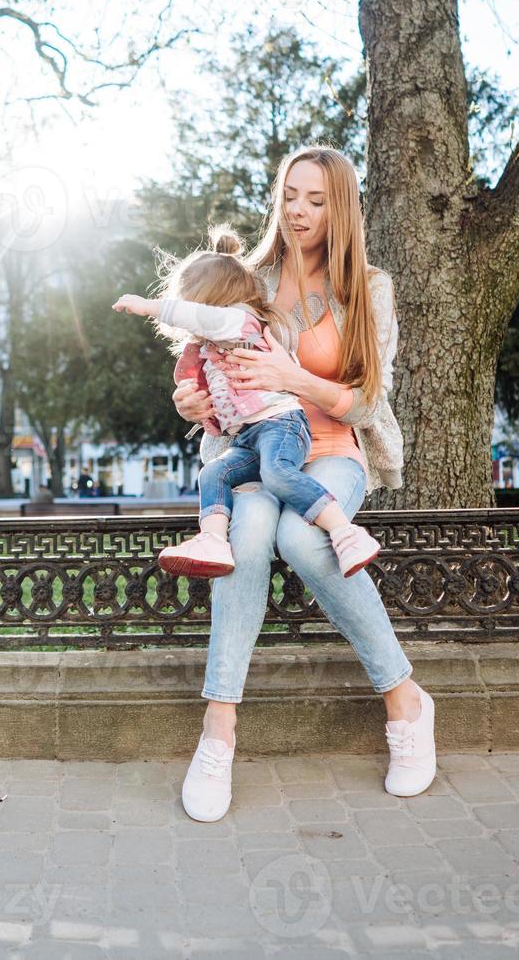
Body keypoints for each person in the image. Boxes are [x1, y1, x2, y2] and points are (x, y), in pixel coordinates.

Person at [168, 146, 432, 822]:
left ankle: (405, 700)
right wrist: (191, 405)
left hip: (334, 450)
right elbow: (202, 364)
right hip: (255, 452)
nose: (298, 211)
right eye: (290, 194)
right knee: (251, 530)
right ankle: (218, 729)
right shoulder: (248, 277)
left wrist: (295, 378)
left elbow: (368, 403)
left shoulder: (368, 288)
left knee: (306, 537)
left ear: (340, 207)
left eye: (316, 200)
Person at [112, 225, 380, 578]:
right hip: (249, 435)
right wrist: (193, 404)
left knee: (276, 471)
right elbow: (213, 399)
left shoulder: (238, 320)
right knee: (214, 473)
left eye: (191, 302)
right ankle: (212, 541)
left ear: (209, 299)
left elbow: (200, 317)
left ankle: (346, 533)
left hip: (282, 425)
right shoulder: (210, 346)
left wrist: (148, 306)